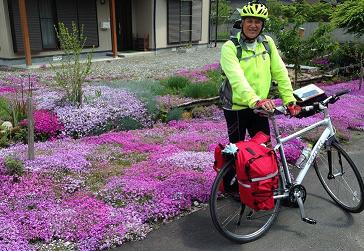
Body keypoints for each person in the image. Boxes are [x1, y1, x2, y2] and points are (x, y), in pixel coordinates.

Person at [220, 1, 301, 143]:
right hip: (236, 108)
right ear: (242, 23)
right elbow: (237, 79)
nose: (253, 25)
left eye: (257, 22)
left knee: (265, 150)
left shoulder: (267, 43)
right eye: (249, 21)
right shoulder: (230, 47)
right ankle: (230, 164)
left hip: (260, 107)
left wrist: (289, 99)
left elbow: (280, 71)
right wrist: (256, 101)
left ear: (262, 25)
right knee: (236, 153)